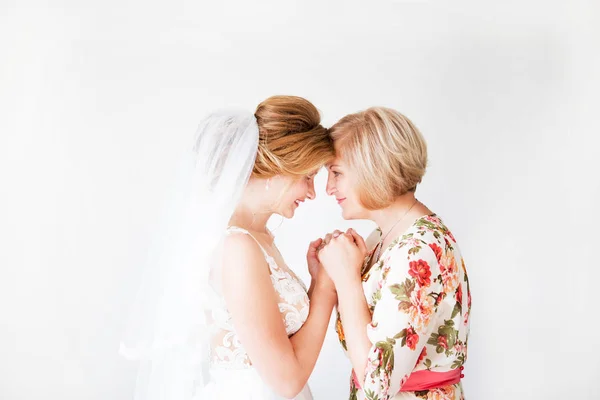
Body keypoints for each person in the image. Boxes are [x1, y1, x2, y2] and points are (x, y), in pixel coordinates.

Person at [120, 96, 337, 400]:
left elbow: (284, 348)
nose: (313, 193)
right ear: (279, 167)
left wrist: (317, 282)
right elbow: (286, 382)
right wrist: (327, 288)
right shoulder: (238, 247)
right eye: (308, 177)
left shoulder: (256, 238)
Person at [318, 107, 471, 400]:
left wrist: (347, 279)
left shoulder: (418, 250)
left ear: (373, 169)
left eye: (337, 172)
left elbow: (377, 384)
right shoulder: (383, 237)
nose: (328, 187)